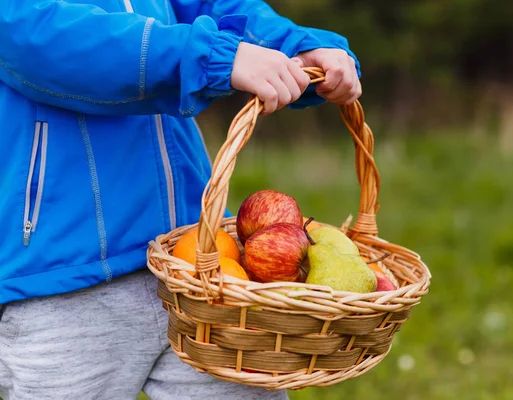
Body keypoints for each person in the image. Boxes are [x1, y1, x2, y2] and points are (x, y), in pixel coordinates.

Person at [0, 1, 361, 399]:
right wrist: (213, 56)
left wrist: (296, 48)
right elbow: (38, 34)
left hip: (199, 264)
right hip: (65, 279)